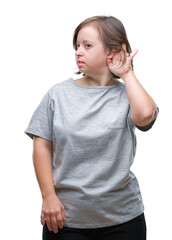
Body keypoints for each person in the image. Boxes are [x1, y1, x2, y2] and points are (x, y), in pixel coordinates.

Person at [24, 15, 159, 240]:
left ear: (112, 51)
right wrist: (48, 196)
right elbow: (42, 145)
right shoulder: (58, 94)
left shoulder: (128, 94)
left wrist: (126, 73)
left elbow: (145, 115)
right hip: (65, 219)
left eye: (87, 45)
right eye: (77, 45)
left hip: (124, 219)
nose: (78, 51)